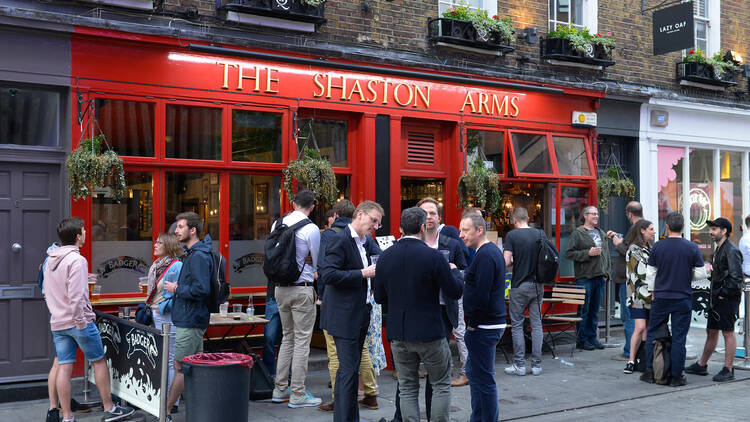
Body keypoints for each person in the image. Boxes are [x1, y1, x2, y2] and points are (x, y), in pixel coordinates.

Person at [375, 207, 462, 422]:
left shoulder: (386, 256)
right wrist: (455, 273)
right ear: (423, 227)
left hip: (399, 332)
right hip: (430, 331)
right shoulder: (434, 256)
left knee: (407, 386)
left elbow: (378, 296)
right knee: (441, 384)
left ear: (400, 228)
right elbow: (454, 291)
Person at [43, 217, 134, 422]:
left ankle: (66, 417)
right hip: (77, 322)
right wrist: (82, 321)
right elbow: (76, 297)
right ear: (78, 236)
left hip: (58, 322)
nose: (86, 233)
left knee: (64, 367)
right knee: (99, 362)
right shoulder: (77, 260)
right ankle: (109, 408)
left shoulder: (51, 260)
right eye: (84, 231)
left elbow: (48, 291)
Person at [321, 201, 384, 422]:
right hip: (343, 316)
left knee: (347, 372)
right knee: (348, 372)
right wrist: (362, 274)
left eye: (378, 223)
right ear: (359, 214)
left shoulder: (366, 242)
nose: (376, 226)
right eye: (373, 220)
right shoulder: (339, 239)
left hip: (360, 313)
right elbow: (328, 275)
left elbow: (383, 260)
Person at [270, 190, 322, 408]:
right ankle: (298, 393)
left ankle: (280, 388)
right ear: (312, 207)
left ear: (293, 203)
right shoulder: (311, 228)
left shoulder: (277, 224)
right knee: (302, 341)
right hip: (302, 289)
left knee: (287, 338)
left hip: (280, 288)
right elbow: (317, 264)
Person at [640, 212, 705, 387]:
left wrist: (653, 291)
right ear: (683, 226)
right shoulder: (691, 247)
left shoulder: (658, 247)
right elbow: (701, 273)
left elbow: (650, 273)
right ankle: (677, 376)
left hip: (661, 296)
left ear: (667, 227)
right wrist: (685, 275)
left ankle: (650, 371)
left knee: (653, 332)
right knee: (679, 337)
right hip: (682, 297)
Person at [164, 212, 214, 420]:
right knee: (192, 365)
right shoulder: (194, 253)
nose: (176, 231)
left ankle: (165, 411)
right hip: (190, 317)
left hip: (191, 319)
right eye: (177, 227)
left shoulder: (199, 256)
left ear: (193, 230)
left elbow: (202, 289)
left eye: (181, 227)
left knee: (181, 366)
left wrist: (177, 289)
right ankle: (200, 408)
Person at [459, 212, 507, 422]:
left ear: (479, 230)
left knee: (484, 379)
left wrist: (472, 323)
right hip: (485, 325)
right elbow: (474, 278)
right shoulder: (485, 253)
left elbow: (481, 293)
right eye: (460, 230)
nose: (461, 235)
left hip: (484, 327)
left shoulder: (486, 254)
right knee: (476, 375)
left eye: (465, 230)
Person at [685, 217, 743, 382]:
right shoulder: (720, 248)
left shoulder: (730, 250)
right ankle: (702, 364)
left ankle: (728, 369)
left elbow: (735, 278)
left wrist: (722, 294)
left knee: (727, 332)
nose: (710, 232)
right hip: (717, 299)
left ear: (724, 231)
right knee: (711, 330)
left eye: (714, 229)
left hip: (726, 299)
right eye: (711, 229)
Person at [503, 207, 546, 376]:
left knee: (517, 325)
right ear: (528, 218)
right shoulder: (540, 234)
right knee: (536, 325)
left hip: (519, 285)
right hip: (537, 285)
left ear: (514, 220)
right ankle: (536, 366)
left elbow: (506, 262)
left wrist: (514, 260)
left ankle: (519, 365)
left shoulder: (512, 235)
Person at [564, 206, 611, 350]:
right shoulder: (578, 233)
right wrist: (587, 253)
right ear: (585, 216)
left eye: (597, 214)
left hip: (599, 277)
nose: (596, 216)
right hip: (585, 277)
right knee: (583, 310)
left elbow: (606, 254)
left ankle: (592, 338)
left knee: (594, 310)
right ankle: (582, 339)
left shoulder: (600, 232)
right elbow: (569, 253)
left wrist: (607, 273)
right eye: (593, 214)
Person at [147, 233, 183, 406]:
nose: (155, 245)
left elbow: (178, 293)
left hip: (168, 316)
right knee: (163, 357)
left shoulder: (176, 266)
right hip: (156, 314)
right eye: (155, 242)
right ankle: (166, 397)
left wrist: (161, 305)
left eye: (159, 242)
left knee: (170, 359)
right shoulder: (157, 265)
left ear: (168, 246)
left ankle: (171, 402)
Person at [607, 201, 642, 361]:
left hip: (628, 279)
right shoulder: (643, 227)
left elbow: (633, 254)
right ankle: (633, 350)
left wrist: (618, 244)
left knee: (628, 316)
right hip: (632, 279)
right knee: (631, 315)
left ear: (629, 214)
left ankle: (630, 351)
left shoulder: (637, 228)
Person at [622, 219, 655, 374]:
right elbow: (641, 273)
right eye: (651, 229)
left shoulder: (650, 247)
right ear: (642, 230)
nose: (654, 232)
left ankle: (643, 359)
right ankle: (631, 360)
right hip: (637, 295)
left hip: (650, 294)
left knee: (647, 328)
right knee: (640, 327)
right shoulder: (633, 250)